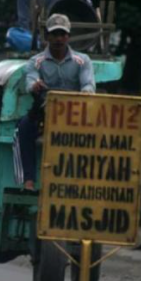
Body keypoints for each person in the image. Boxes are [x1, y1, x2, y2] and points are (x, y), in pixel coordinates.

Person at [16, 14, 95, 190]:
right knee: (23, 127)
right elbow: (30, 80)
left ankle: (81, 183)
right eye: (54, 34)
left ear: (68, 36)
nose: (59, 38)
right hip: (45, 113)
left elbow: (88, 84)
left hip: (74, 115)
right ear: (47, 36)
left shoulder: (83, 61)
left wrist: (86, 93)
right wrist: (35, 85)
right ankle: (28, 181)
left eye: (62, 34)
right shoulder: (36, 62)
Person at [7, 0, 92, 52]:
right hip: (42, 37)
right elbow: (24, 23)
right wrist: (38, 39)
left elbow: (89, 9)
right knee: (12, 34)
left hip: (72, 36)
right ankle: (43, 46)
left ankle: (50, 45)